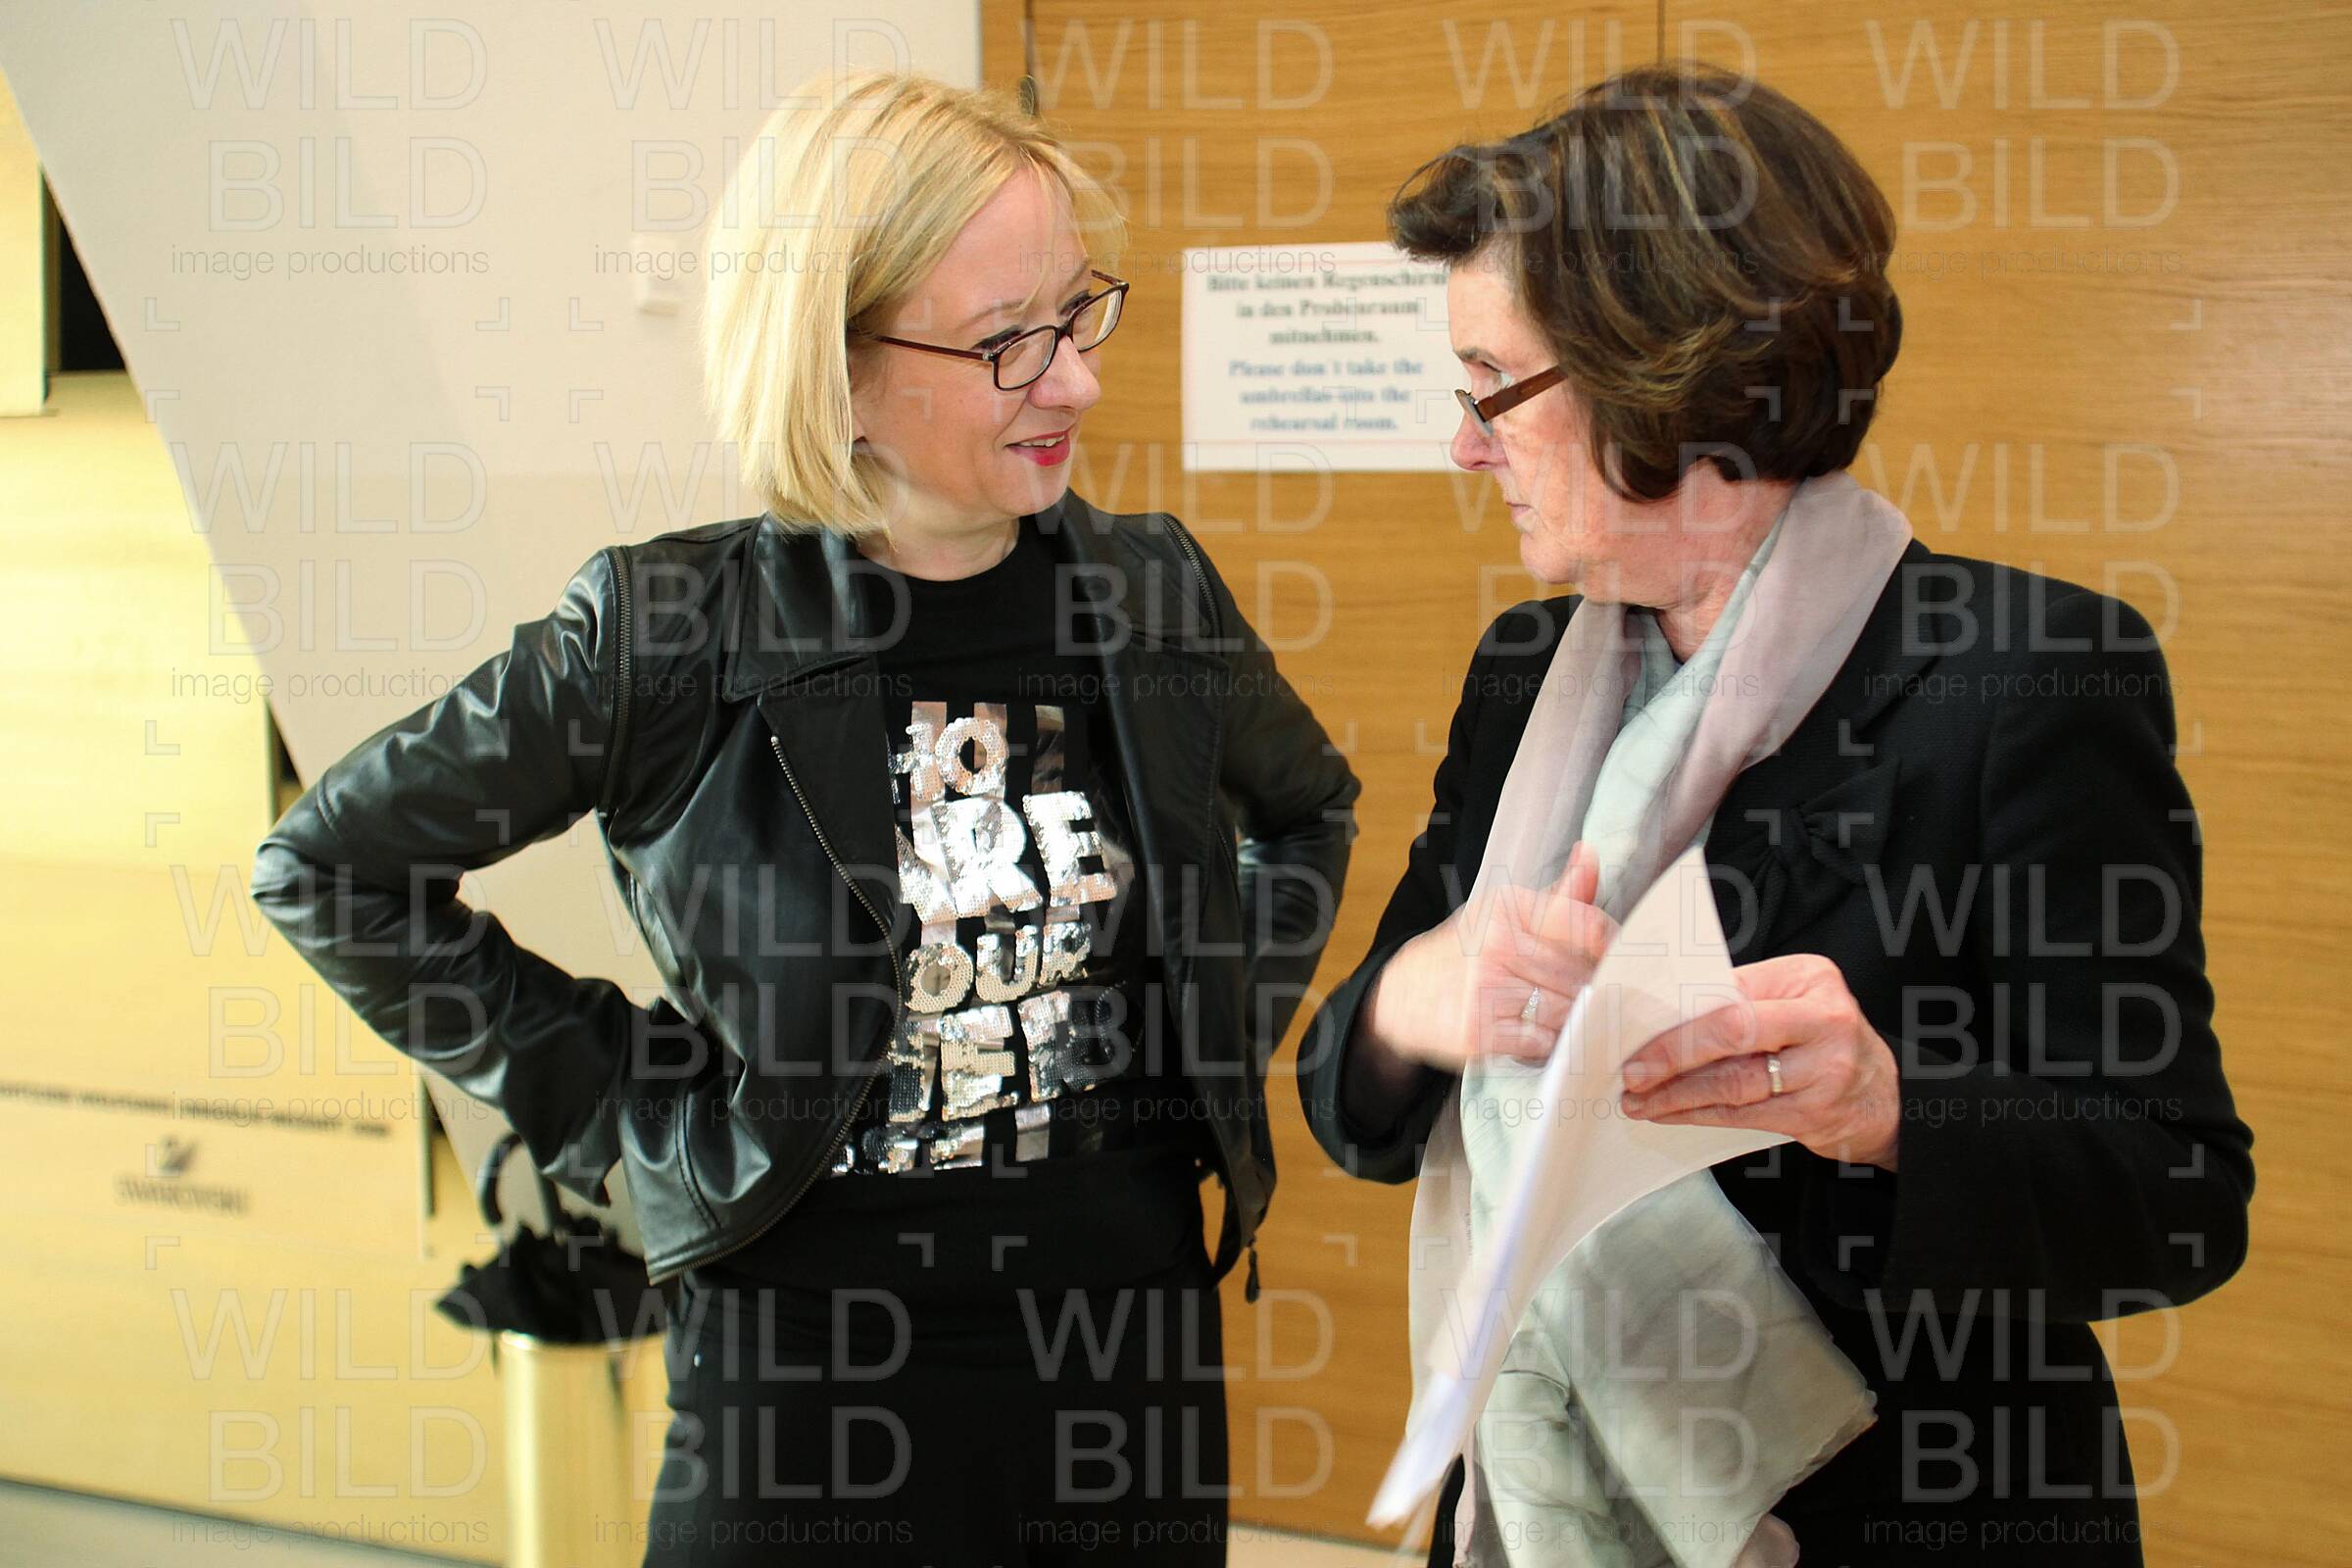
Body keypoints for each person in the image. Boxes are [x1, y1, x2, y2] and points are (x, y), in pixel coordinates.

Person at [250, 70, 1359, 1565]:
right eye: (1006, 343)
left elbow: (1306, 813)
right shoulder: (666, 629)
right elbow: (330, 869)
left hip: (1121, 1359)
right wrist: (624, 1108)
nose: (1076, 385)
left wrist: (1209, 1039)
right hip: (804, 1380)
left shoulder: (1153, 591)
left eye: (1076, 314)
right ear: (832, 367)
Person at [1296, 62, 2252, 1566]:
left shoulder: (2021, 679)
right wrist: (1406, 1006)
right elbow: (1351, 1106)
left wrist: (1889, 1109)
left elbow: (2181, 1198)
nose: (1463, 446)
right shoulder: (1524, 673)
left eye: (1493, 388)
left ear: (1661, 375)